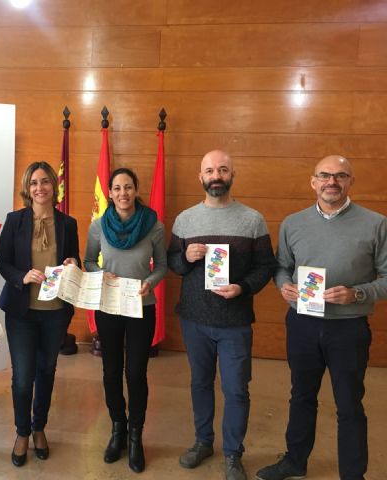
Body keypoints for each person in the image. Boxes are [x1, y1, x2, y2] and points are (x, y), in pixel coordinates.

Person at [255, 155, 387, 480]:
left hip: (349, 329)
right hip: (303, 324)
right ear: (313, 182)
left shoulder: (376, 224)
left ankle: (353, 474)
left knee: (349, 403)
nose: (332, 182)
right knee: (301, 395)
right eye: (325, 175)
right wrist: (284, 285)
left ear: (350, 181)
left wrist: (357, 294)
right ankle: (295, 461)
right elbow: (282, 266)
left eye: (340, 176)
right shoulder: (293, 223)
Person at [168, 150, 276, 480]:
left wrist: (243, 287)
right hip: (194, 320)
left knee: (236, 389)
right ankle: (203, 442)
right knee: (200, 383)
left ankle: (232, 454)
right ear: (201, 177)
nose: (216, 176)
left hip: (235, 321)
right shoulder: (185, 220)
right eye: (210, 170)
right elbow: (173, 263)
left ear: (232, 175)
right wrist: (185, 257)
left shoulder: (252, 220)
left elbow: (266, 266)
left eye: (223, 170)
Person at [0, 161, 80, 467]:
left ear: (54, 187)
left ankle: (39, 427)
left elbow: (74, 258)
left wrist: (73, 263)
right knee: (23, 377)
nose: (39, 187)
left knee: (47, 370)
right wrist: (22, 276)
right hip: (22, 312)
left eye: (45, 182)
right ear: (27, 188)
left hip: (55, 312)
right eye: (34, 183)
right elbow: (2, 262)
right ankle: (22, 432)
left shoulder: (67, 223)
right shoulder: (14, 220)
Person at [84, 167, 167, 473]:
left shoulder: (153, 224)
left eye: (128, 187)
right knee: (111, 371)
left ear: (136, 189)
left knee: (135, 372)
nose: (123, 193)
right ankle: (117, 428)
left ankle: (135, 435)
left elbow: (162, 265)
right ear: (109, 193)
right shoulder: (98, 226)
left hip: (141, 307)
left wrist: (150, 282)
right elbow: (88, 260)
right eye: (117, 188)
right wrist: (99, 273)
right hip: (108, 306)